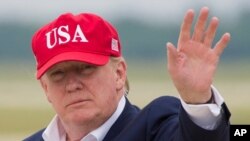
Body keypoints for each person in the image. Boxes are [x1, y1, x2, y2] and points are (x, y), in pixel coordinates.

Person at [24, 6, 231, 141]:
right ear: (45, 89)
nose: (72, 85)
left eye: (86, 68)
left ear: (119, 74)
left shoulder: (155, 128)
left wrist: (197, 101)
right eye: (58, 74)